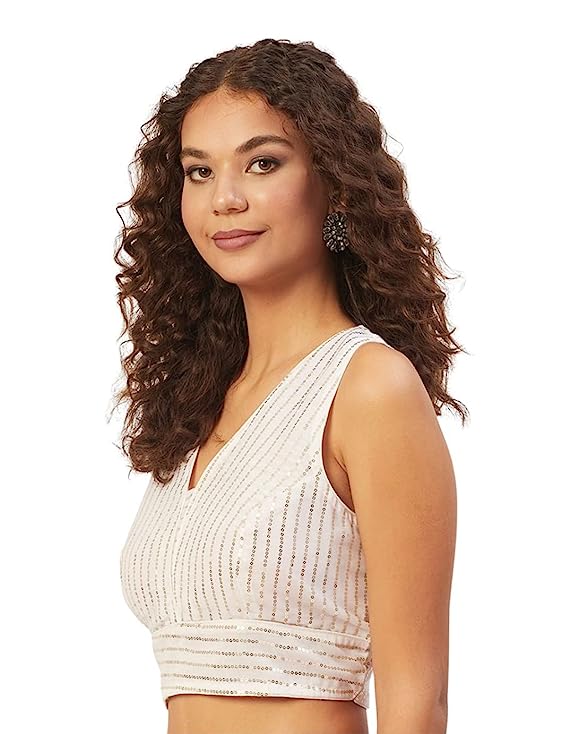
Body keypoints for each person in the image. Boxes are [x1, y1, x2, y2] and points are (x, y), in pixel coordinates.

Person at [114, 38, 466, 734]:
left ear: (334, 182)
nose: (225, 199)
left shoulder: (370, 389)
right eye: (199, 171)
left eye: (262, 163)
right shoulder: (200, 401)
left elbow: (416, 705)